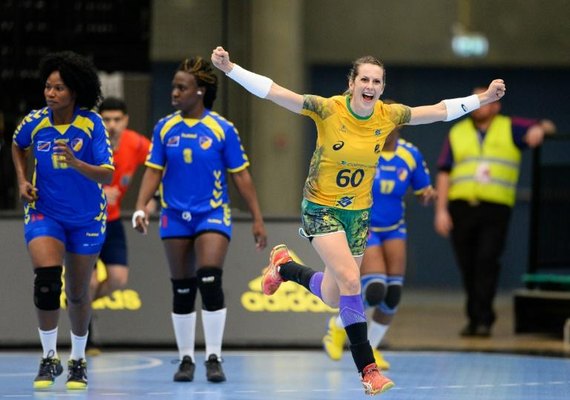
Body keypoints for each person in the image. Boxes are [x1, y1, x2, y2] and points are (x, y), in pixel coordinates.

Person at [211, 45, 505, 395]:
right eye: (363, 78)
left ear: (381, 87)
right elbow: (275, 92)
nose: (370, 85)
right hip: (321, 207)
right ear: (351, 83)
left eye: (376, 81)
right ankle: (368, 369)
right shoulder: (327, 108)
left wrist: (483, 99)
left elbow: (439, 111)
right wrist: (231, 69)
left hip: (358, 214)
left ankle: (285, 265)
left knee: (335, 295)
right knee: (353, 280)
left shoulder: (388, 115)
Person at [132, 56, 267, 383]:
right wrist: (140, 206)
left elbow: (242, 177)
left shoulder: (222, 129)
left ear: (201, 91)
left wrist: (257, 219)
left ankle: (213, 356)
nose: (174, 93)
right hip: (174, 215)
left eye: (182, 87)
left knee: (209, 279)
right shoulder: (165, 127)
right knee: (181, 290)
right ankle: (186, 359)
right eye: (174, 87)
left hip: (212, 213)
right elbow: (153, 171)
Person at [11, 51, 113, 390]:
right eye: (48, 87)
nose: (50, 94)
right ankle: (49, 357)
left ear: (75, 92)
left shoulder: (91, 123)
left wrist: (76, 162)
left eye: (59, 88)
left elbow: (107, 174)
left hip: (86, 218)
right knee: (47, 282)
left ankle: (78, 359)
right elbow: (16, 144)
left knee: (79, 293)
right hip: (46, 212)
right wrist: (23, 181)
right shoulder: (35, 121)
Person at [434, 87, 556, 338]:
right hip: (461, 207)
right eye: (478, 100)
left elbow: (549, 126)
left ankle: (484, 319)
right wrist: (441, 210)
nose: (481, 104)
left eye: (486, 100)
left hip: (495, 208)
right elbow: (444, 171)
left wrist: (539, 128)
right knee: (467, 265)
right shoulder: (457, 131)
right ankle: (473, 318)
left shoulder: (510, 126)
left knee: (487, 261)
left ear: (496, 104)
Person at [322, 123, 436, 370]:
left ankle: (371, 349)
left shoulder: (410, 154)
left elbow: (421, 189)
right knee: (375, 289)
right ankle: (337, 326)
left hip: (394, 227)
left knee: (392, 294)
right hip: (365, 225)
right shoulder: (363, 150)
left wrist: (427, 195)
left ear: (400, 126)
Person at [87, 97, 151, 353]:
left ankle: (81, 304)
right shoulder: (88, 142)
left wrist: (150, 200)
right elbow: (69, 175)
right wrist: (99, 192)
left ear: (125, 121)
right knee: (89, 282)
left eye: (117, 120)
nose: (112, 125)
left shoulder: (135, 143)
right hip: (86, 221)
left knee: (118, 278)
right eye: (106, 120)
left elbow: (161, 164)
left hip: (112, 221)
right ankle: (88, 334)